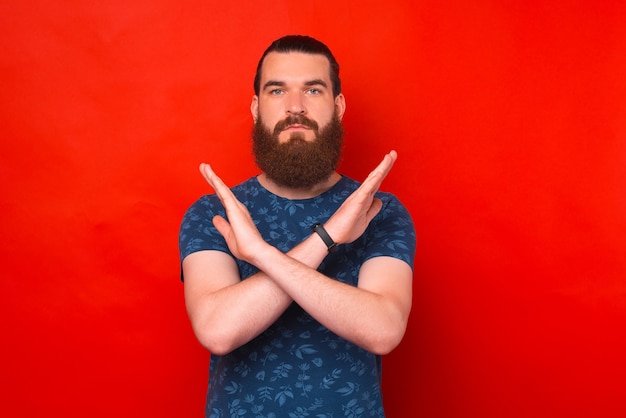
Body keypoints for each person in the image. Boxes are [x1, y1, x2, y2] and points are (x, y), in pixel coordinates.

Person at [179, 35, 416, 418]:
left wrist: (260, 256)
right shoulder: (216, 213)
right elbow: (218, 330)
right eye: (277, 90)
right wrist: (327, 238)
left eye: (312, 89)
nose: (295, 107)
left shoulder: (376, 211)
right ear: (256, 107)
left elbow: (383, 330)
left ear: (337, 106)